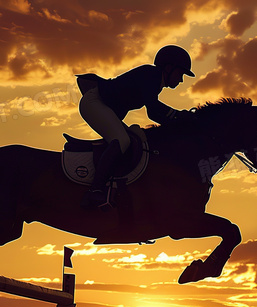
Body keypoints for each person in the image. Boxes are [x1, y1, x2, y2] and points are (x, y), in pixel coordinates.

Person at [77, 45, 197, 209]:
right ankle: (95, 190)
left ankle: (112, 185)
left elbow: (154, 114)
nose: (181, 79)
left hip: (102, 106)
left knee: (138, 138)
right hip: (94, 103)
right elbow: (154, 109)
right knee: (122, 140)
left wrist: (177, 122)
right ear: (169, 68)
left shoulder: (155, 81)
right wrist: (180, 116)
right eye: (180, 73)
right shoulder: (152, 75)